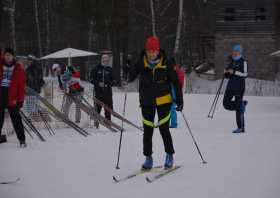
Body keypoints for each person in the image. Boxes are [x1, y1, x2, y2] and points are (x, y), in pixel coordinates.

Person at [123, 37, 183, 170]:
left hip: (164, 101)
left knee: (164, 129)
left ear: (158, 51)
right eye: (149, 51)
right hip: (147, 101)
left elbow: (176, 82)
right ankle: (148, 158)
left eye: (153, 51)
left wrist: (179, 99)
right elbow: (130, 78)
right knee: (148, 131)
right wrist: (126, 68)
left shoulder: (166, 63)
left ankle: (169, 155)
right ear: (146, 51)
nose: (151, 54)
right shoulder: (140, 63)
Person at [0, 48, 26, 147]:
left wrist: (20, 100)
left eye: (9, 54)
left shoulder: (19, 69)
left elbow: (21, 86)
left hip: (12, 95)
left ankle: (22, 140)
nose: (7, 56)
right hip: (1, 94)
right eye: (6, 54)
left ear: (13, 56)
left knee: (16, 119)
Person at [223, 45, 248, 133]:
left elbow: (245, 74)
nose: (235, 52)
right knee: (226, 104)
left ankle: (241, 127)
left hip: (239, 87)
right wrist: (226, 73)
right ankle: (242, 104)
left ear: (240, 52)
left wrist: (234, 72)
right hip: (230, 86)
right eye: (234, 51)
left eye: (237, 51)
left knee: (237, 108)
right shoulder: (231, 60)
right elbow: (230, 73)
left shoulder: (243, 61)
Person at [90, 55, 116, 121]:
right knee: (97, 107)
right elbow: (91, 79)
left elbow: (114, 80)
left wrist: (110, 84)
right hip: (98, 91)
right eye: (106, 61)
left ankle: (108, 121)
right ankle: (96, 122)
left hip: (107, 91)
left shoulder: (110, 69)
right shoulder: (96, 69)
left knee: (108, 107)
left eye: (108, 61)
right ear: (103, 61)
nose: (108, 62)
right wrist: (98, 83)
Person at [169, 57, 184, 128]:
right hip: (168, 91)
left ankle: (174, 124)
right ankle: (160, 124)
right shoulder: (167, 70)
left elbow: (180, 84)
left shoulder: (177, 70)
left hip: (175, 92)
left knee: (172, 108)